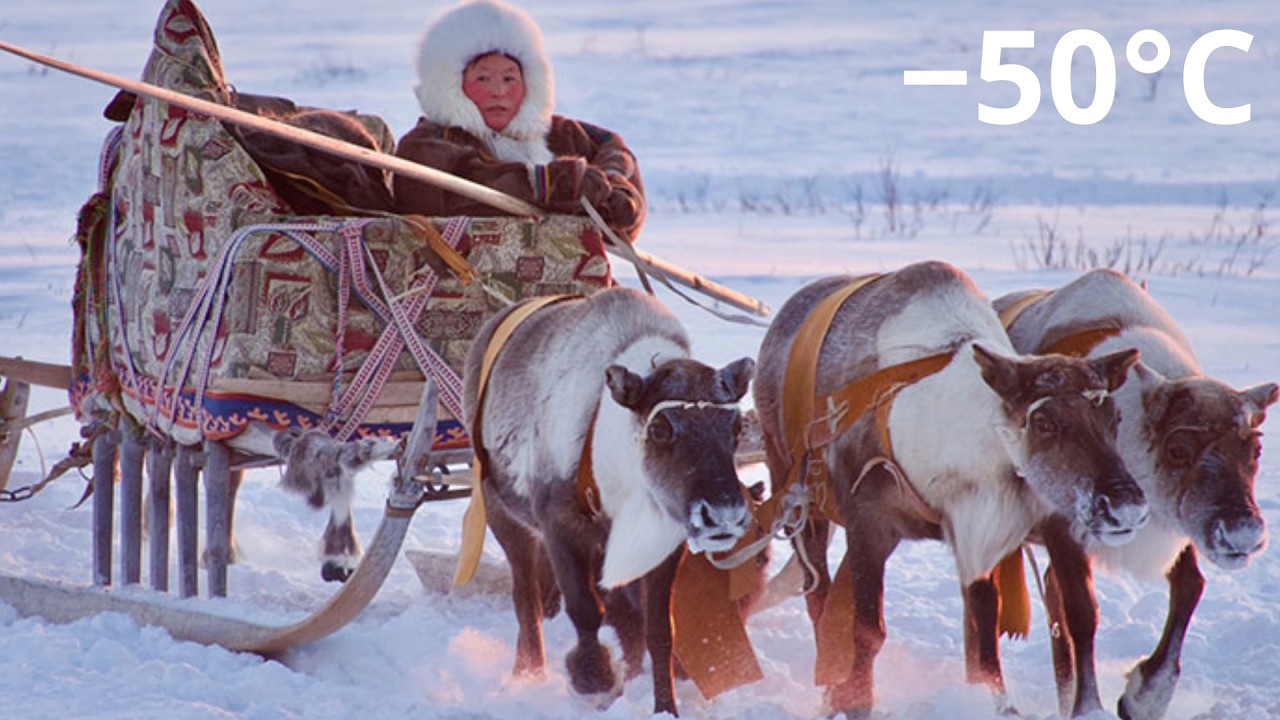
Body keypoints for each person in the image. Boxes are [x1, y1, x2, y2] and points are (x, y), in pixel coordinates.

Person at [393, 0, 646, 242]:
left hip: (577, 284)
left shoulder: (559, 134)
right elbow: (457, 190)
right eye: (483, 79)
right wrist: (550, 185)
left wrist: (615, 189)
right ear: (451, 85)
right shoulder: (427, 145)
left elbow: (613, 149)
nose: (499, 92)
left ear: (530, 83)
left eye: (509, 78)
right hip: (468, 281)